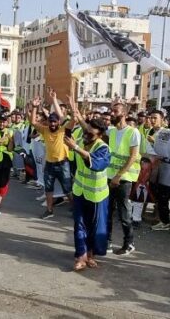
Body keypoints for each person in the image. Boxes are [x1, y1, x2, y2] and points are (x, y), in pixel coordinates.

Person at [65, 109, 111, 271]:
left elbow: (96, 164)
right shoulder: (80, 140)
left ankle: (91, 255)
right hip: (79, 191)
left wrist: (77, 148)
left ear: (99, 135)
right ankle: (81, 256)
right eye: (86, 131)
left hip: (97, 195)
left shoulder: (103, 148)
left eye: (90, 134)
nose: (86, 135)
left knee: (95, 228)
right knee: (79, 225)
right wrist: (74, 116)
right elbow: (66, 134)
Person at [105, 100, 141, 255]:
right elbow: (90, 129)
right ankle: (107, 242)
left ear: (124, 114)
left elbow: (133, 157)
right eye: (111, 111)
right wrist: (77, 114)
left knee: (123, 213)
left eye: (116, 111)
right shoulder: (112, 131)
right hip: (109, 176)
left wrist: (118, 176)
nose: (112, 114)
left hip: (124, 178)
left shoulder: (133, 132)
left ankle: (129, 243)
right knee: (107, 211)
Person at [30, 91, 72, 219]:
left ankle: (76, 209)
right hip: (49, 164)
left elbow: (73, 120)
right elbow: (33, 122)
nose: (52, 124)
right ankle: (49, 210)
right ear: (48, 122)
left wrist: (57, 100)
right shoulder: (45, 130)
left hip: (63, 164)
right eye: (51, 122)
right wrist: (34, 107)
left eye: (55, 122)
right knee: (48, 189)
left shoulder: (64, 130)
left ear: (59, 122)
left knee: (67, 189)